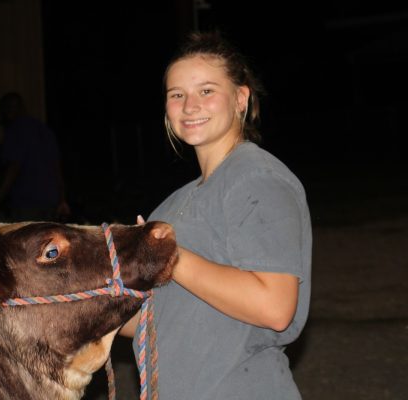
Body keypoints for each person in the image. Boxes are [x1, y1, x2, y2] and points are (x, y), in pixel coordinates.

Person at [119, 30, 312, 399]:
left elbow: (274, 307)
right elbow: (161, 318)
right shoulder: (174, 203)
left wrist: (171, 256)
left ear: (241, 98)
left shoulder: (257, 178)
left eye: (206, 91)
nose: (190, 106)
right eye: (177, 95)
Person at [0, 92, 70, 222]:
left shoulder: (15, 130)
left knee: (26, 240)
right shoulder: (45, 131)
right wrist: (62, 199)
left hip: (28, 203)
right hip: (50, 201)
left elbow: (14, 168)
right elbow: (57, 169)